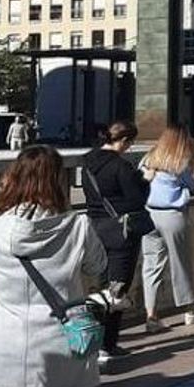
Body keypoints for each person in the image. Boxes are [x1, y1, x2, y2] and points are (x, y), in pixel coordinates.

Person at [0, 145, 107, 387]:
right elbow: (98, 267)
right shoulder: (78, 226)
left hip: (1, 350)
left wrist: (2, 198)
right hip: (63, 347)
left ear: (14, 178)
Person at [83, 120, 149, 362]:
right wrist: (145, 180)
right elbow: (135, 201)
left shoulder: (88, 162)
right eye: (129, 143)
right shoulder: (121, 167)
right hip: (120, 232)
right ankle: (106, 344)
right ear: (123, 141)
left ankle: (99, 341)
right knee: (117, 287)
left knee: (102, 286)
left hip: (96, 227)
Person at [139, 126, 194, 332]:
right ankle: (190, 310)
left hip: (149, 213)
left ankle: (151, 316)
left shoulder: (149, 157)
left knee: (151, 265)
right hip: (173, 214)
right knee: (180, 263)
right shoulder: (182, 160)